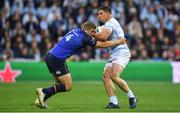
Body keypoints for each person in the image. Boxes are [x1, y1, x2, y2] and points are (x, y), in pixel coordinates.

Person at [34, 21, 126, 108]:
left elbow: (92, 37)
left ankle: (41, 100)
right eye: (92, 32)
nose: (94, 34)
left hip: (50, 56)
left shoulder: (76, 30)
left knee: (59, 84)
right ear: (87, 30)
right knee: (68, 86)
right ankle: (43, 91)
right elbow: (101, 44)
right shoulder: (85, 38)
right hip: (57, 59)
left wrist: (97, 33)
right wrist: (118, 41)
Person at [94, 6, 137, 109]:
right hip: (114, 54)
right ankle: (114, 102)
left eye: (101, 13)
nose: (98, 16)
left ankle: (132, 96)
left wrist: (92, 33)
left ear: (108, 14)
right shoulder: (106, 25)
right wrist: (96, 33)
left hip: (122, 53)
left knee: (113, 75)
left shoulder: (110, 23)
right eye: (98, 14)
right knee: (105, 76)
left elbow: (103, 37)